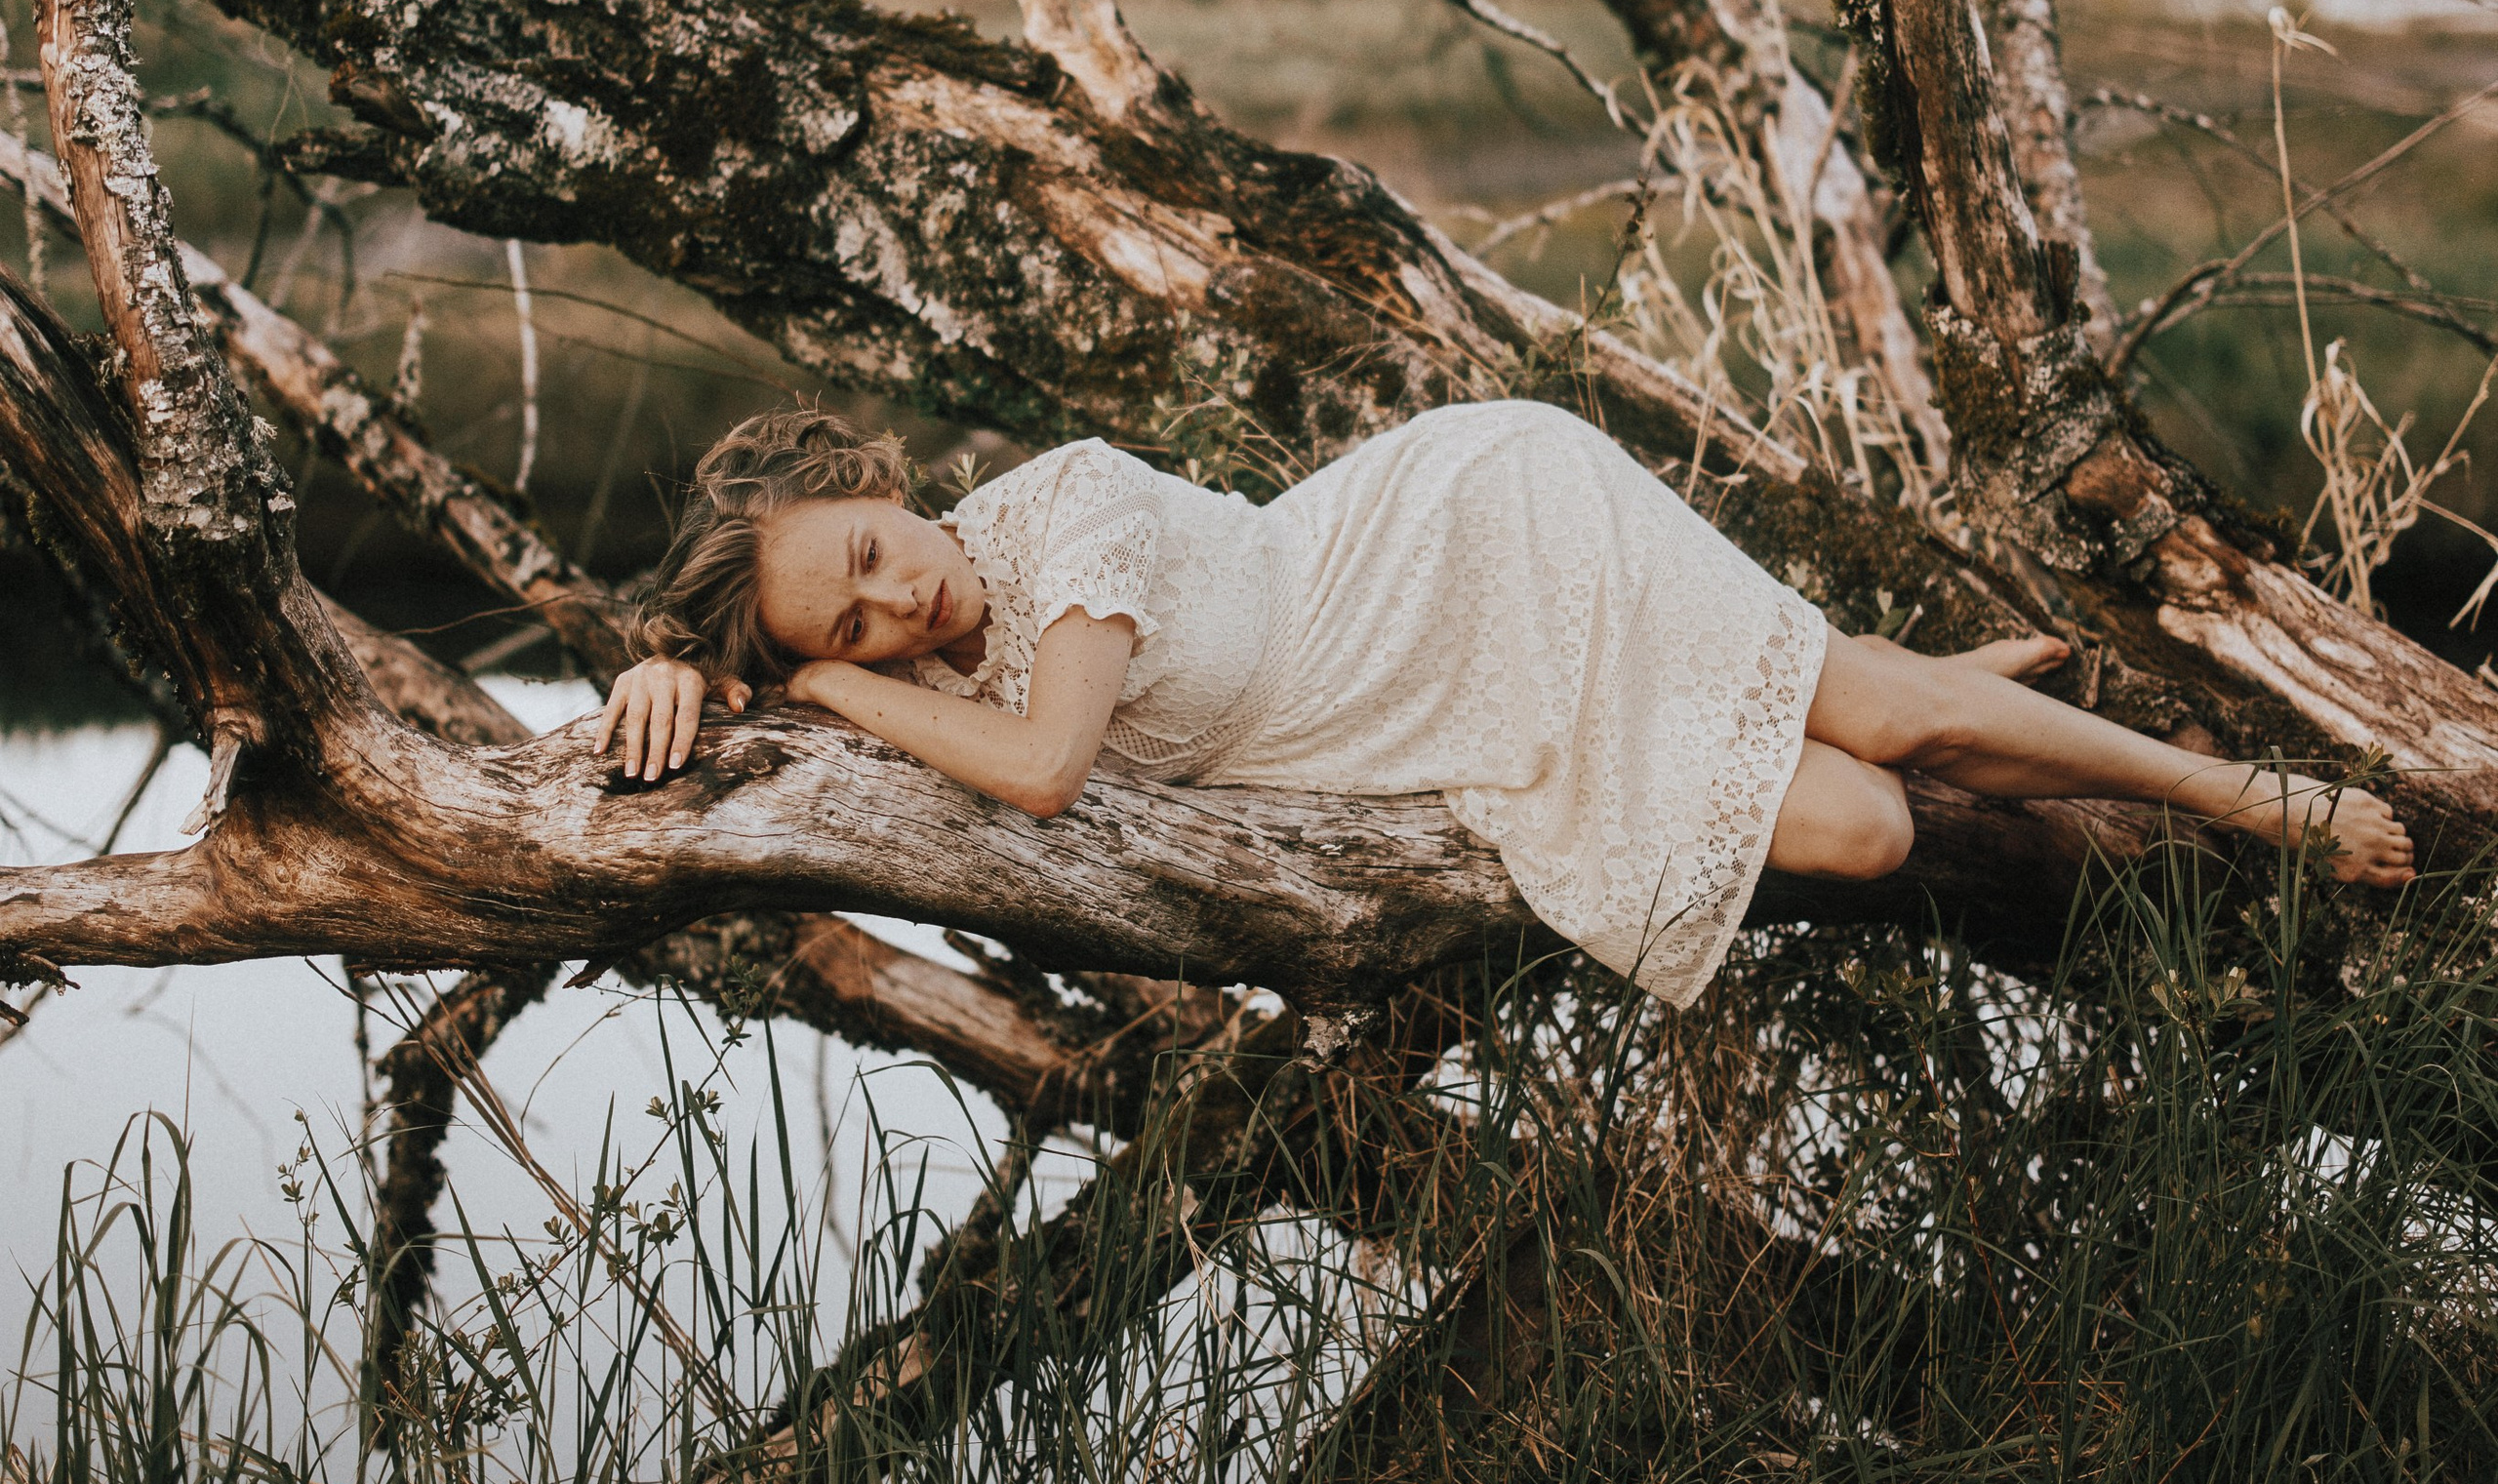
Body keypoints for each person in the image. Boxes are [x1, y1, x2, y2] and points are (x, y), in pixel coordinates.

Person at [594, 401, 2411, 1006]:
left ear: (871, 474)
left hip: (1470, 542)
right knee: (1855, 815)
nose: (895, 597)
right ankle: (1911, 681)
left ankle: (2251, 798)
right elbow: (818, 706)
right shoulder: (936, 674)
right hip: (1439, 731)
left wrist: (828, 677)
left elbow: (1051, 774)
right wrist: (683, 665)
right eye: (854, 616)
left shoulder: (1064, 508)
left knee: (1892, 735)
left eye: (866, 549)